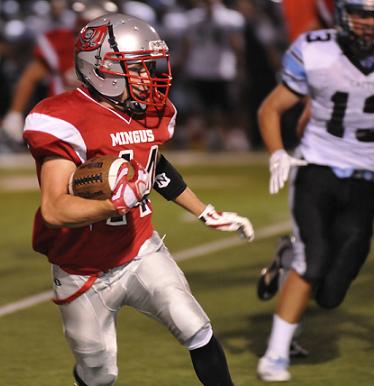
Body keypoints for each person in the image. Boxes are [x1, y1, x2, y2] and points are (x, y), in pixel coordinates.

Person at [22, 13, 255, 386]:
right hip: (82, 270)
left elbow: (153, 165)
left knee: (196, 328)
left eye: (150, 67)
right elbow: (54, 208)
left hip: (139, 249)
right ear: (102, 70)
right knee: (98, 373)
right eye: (138, 68)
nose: (149, 77)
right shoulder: (63, 118)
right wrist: (111, 204)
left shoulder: (148, 113)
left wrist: (205, 212)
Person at [256, 0, 374, 382]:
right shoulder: (315, 48)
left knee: (332, 294)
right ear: (342, 14)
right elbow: (271, 109)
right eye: (360, 13)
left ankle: (288, 257)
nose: (367, 23)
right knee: (315, 260)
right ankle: (274, 356)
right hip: (317, 170)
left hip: (365, 180)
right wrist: (278, 154)